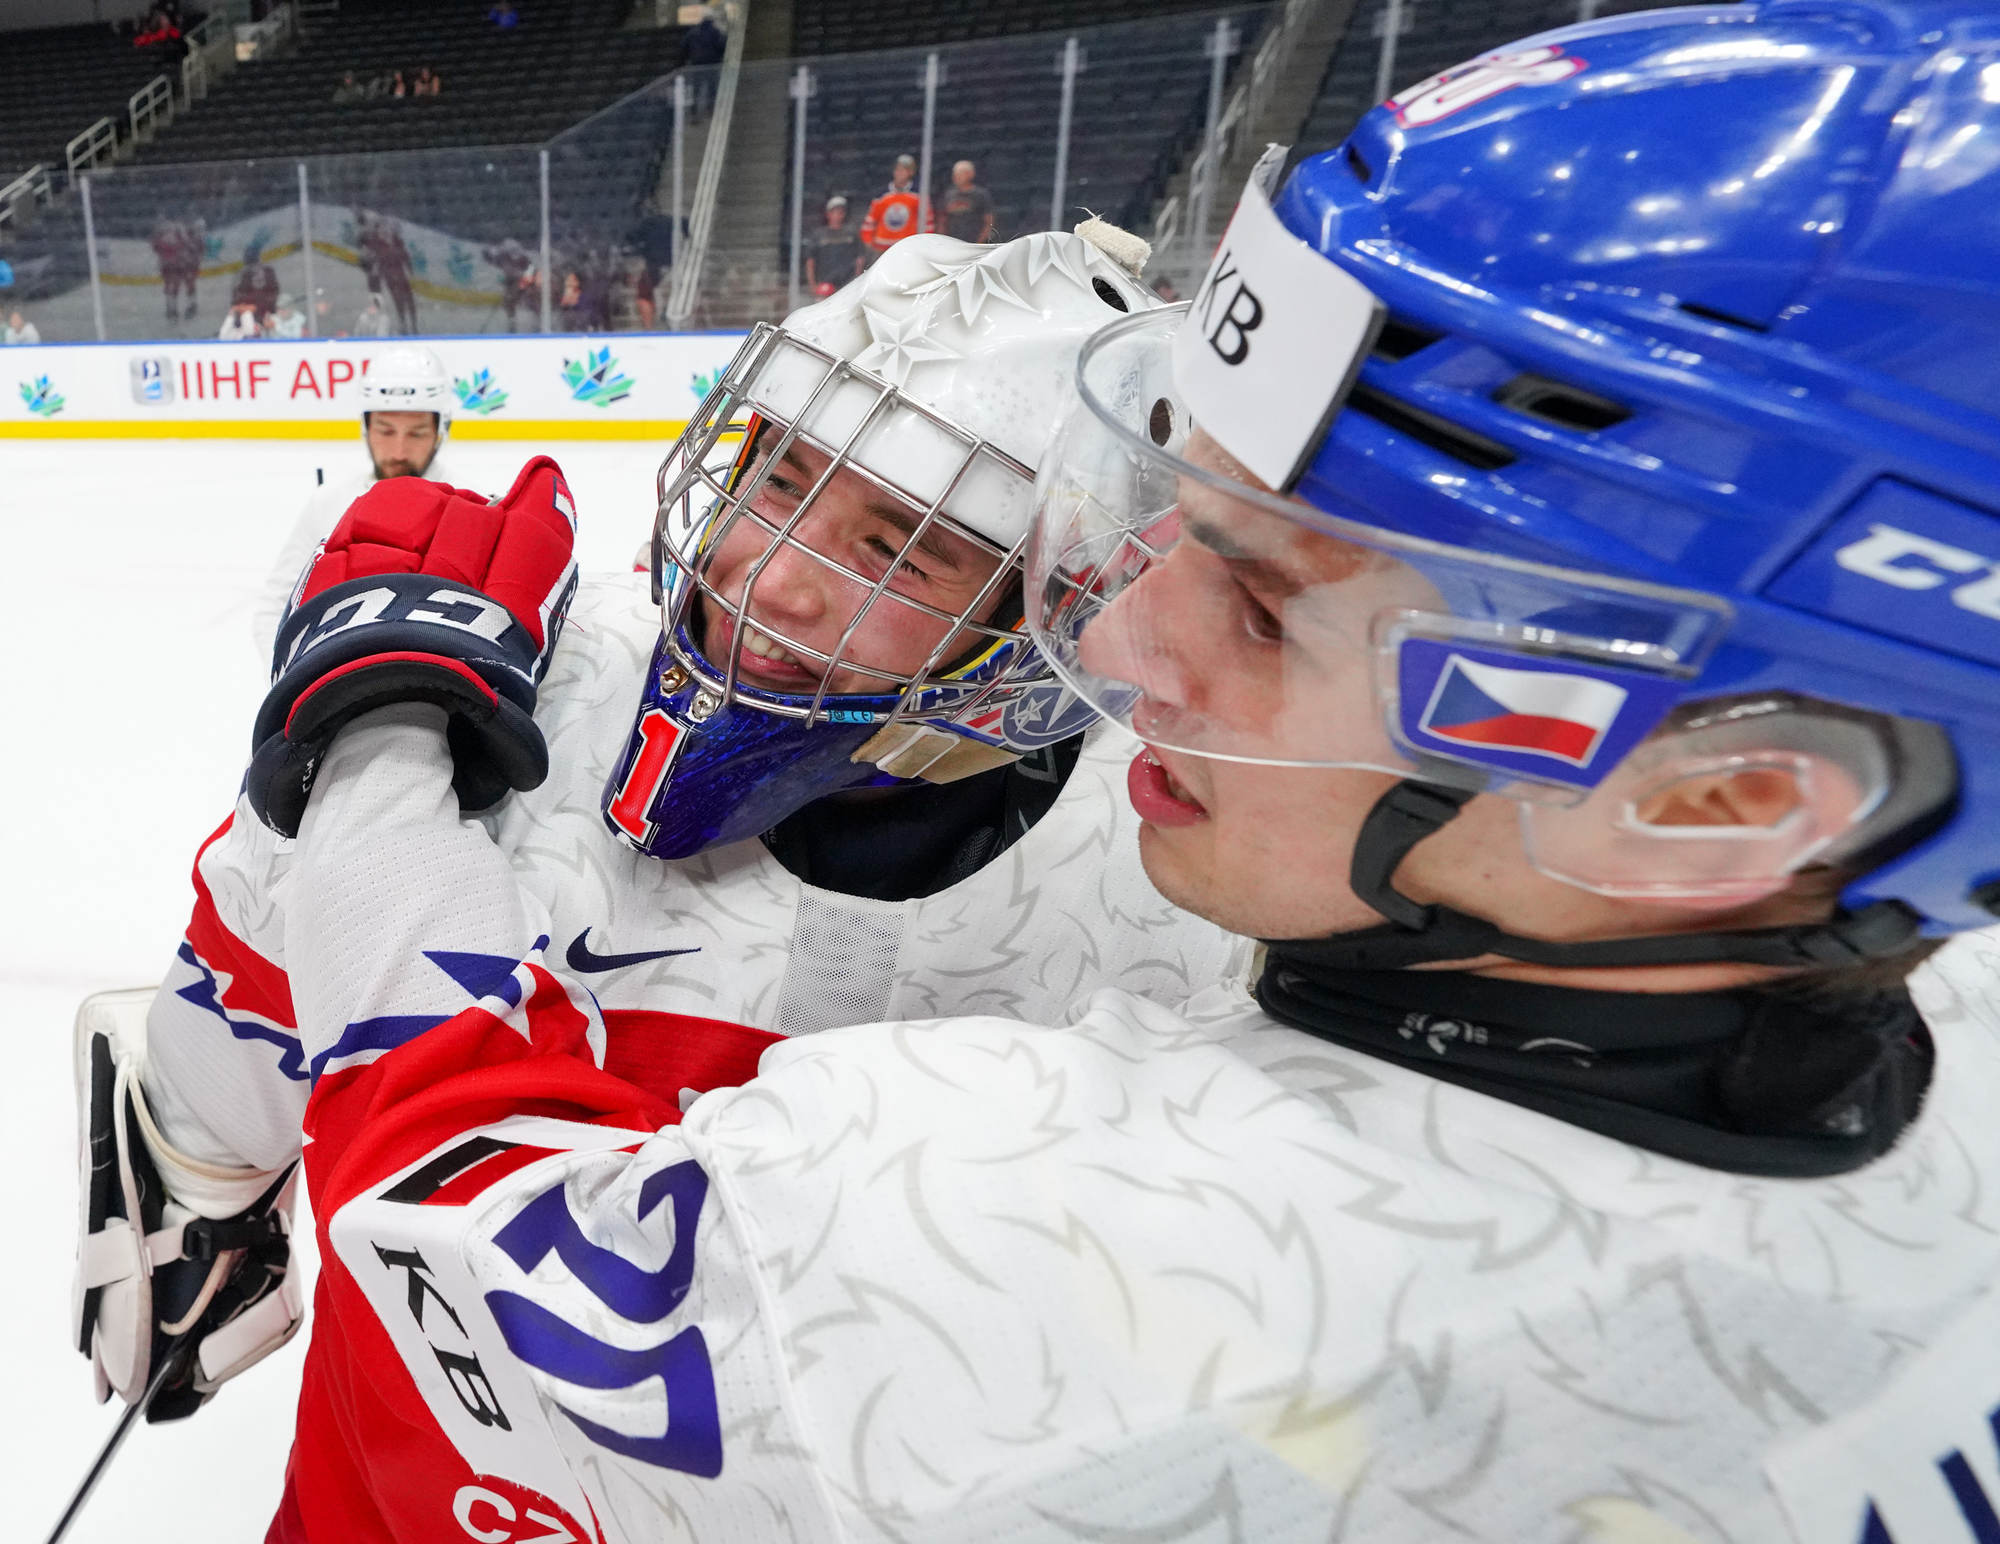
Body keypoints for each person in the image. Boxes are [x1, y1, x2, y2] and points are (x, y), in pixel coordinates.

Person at [74, 7, 2000, 1538]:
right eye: (776, 473)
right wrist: (204, 1151)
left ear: (1731, 800)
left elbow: (480, 1236)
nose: (1131, 652)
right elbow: (230, 1011)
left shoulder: (1045, 1102)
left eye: (1266, 600)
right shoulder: (1253, 842)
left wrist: (371, 740)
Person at [76, 232, 1251, 1498]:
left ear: (1060, 613)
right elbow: (217, 1079)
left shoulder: (1180, 889)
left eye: (896, 550)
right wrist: (337, 767)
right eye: (777, 475)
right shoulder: (504, 690)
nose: (769, 579)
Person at [250, 345, 460, 646]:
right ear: (366, 427)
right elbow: (276, 607)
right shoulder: (328, 502)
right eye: (386, 431)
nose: (399, 451)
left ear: (441, 430)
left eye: (416, 433)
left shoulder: (471, 508)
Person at [859, 152, 933, 259]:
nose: (899, 173)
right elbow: (870, 221)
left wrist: (923, 244)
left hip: (908, 249)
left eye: (904, 170)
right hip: (882, 249)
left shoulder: (919, 196)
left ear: (911, 172)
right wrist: (869, 241)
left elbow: (927, 223)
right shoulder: (882, 195)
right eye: (897, 169)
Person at [803, 193, 865, 291]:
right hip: (825, 285)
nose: (838, 215)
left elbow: (860, 258)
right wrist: (813, 285)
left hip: (847, 285)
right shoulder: (819, 235)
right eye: (834, 212)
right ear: (828, 214)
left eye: (841, 212)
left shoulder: (852, 233)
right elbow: (810, 261)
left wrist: (856, 281)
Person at [482, 236, 539, 333]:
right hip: (513, 281)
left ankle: (537, 321)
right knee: (508, 301)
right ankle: (512, 322)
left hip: (524, 280)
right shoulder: (501, 258)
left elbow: (530, 270)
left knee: (529, 300)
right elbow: (497, 263)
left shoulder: (522, 259)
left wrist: (524, 281)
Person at [936, 158, 995, 243]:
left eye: (961, 174)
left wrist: (980, 242)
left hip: (973, 241)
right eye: (955, 174)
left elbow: (988, 221)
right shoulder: (948, 194)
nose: (956, 177)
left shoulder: (981, 195)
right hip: (952, 241)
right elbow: (942, 220)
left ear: (971, 174)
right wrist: (942, 240)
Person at [231, 243, 279, 328]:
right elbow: (236, 299)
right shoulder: (243, 274)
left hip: (262, 315)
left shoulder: (267, 271)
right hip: (251, 316)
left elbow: (274, 291)